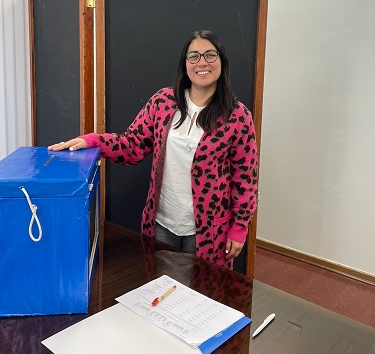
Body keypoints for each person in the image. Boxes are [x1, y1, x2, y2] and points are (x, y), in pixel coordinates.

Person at [48, 30, 258, 268]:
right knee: (162, 291)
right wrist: (94, 141)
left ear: (222, 61)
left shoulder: (238, 116)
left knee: (202, 295)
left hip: (211, 230)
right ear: (185, 64)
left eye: (210, 55)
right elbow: (132, 145)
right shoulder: (163, 102)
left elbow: (246, 178)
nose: (202, 62)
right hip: (161, 223)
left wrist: (239, 227)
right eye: (194, 56)